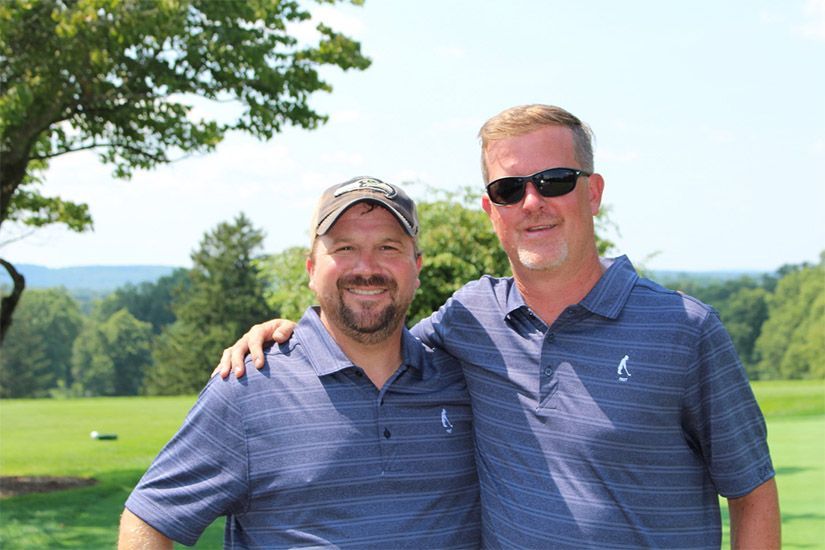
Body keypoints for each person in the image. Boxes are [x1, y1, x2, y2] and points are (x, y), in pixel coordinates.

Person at [218, 105, 780, 548]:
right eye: (509, 189)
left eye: (554, 180)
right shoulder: (471, 318)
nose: (532, 202)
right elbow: (374, 341)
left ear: (593, 193)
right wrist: (290, 333)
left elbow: (753, 494)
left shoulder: (685, 330)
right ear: (492, 212)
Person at [119, 177, 480, 548]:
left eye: (388, 247)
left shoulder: (465, 380)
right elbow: (148, 518)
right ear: (311, 270)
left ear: (417, 267)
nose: (366, 267)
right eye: (345, 248)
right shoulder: (249, 385)